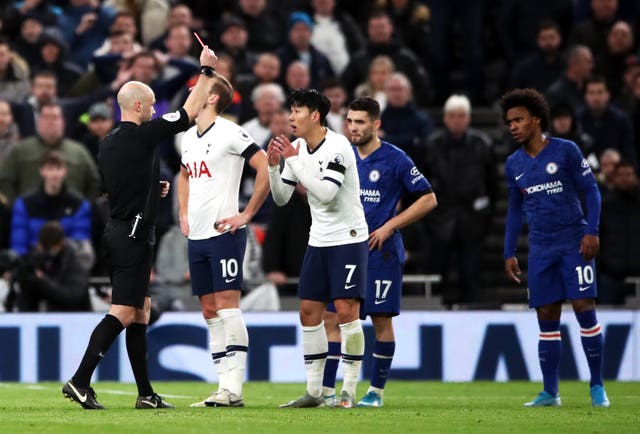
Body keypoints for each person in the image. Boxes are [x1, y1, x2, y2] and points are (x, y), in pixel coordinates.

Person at [61, 45, 218, 410]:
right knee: (124, 310)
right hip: (132, 234)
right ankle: (80, 380)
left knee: (141, 309)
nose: (153, 111)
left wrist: (152, 188)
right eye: (149, 106)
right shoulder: (140, 134)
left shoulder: (109, 142)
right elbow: (190, 111)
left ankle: (145, 394)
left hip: (122, 230)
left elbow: (117, 186)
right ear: (136, 107)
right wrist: (206, 72)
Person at [322, 97, 437, 407]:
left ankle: (376, 392)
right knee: (332, 317)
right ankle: (328, 391)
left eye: (360, 122)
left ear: (376, 125)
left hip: (381, 251)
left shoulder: (396, 159)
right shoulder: (342, 155)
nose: (353, 127)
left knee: (381, 319)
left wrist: (390, 226)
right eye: (349, 121)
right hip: (345, 248)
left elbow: (428, 198)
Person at [501, 88, 609, 407]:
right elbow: (514, 210)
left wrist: (592, 230)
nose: (513, 126)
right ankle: (550, 392)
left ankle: (597, 387)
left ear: (536, 120)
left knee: (582, 307)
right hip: (540, 248)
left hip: (574, 242)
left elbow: (591, 191)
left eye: (519, 120)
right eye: (509, 122)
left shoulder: (566, 151)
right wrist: (508, 251)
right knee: (546, 314)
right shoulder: (513, 163)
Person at [268, 88, 368, 408]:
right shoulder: (296, 148)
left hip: (348, 238)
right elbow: (282, 198)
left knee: (345, 311)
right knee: (308, 312)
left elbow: (326, 193)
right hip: (319, 238)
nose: (291, 116)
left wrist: (294, 163)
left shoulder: (338, 146)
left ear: (315, 116)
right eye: (290, 109)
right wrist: (274, 168)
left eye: (297, 110)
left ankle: (348, 391)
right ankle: (315, 391)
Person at [178, 72, 269, 408]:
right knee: (208, 309)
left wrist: (246, 214)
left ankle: (234, 388)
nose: (192, 91)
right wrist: (182, 210)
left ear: (213, 97)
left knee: (228, 306)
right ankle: (221, 387)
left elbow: (263, 167)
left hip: (224, 234)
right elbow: (184, 173)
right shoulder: (187, 137)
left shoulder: (232, 133)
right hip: (197, 236)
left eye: (199, 88)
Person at [424, 94, 498, 305]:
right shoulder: (432, 145)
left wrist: (485, 216)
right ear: (446, 118)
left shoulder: (483, 144)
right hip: (440, 218)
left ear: (468, 118)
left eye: (461, 116)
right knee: (439, 275)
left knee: (472, 276)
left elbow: (493, 185)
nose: (457, 120)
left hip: (472, 220)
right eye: (453, 116)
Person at [10, 150, 92, 257]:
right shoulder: (24, 204)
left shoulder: (79, 204)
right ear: (41, 171)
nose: (54, 174)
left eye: (58, 168)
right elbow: (19, 244)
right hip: (32, 262)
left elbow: (80, 242)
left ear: (65, 171)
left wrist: (60, 250)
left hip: (68, 263)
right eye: (50, 168)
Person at [10, 221, 93, 312]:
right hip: (40, 318)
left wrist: (42, 279)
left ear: (61, 243)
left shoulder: (75, 260)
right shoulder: (36, 258)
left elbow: (73, 296)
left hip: (74, 317)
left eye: (51, 249)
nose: (48, 254)